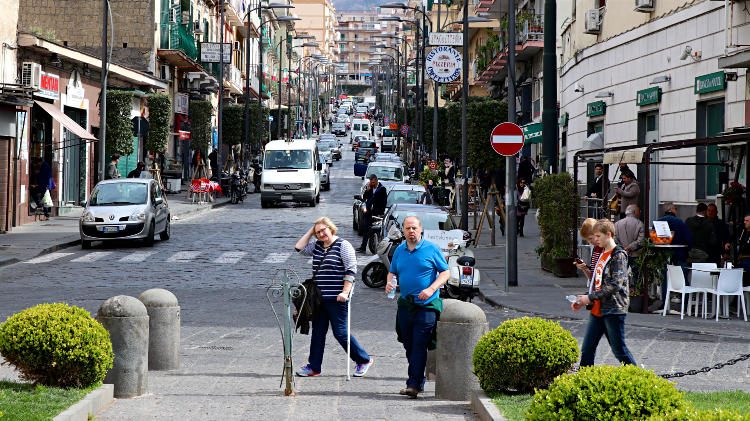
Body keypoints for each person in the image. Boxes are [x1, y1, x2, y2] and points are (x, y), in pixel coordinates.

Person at [294, 217, 373, 378]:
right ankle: (314, 366)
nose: (321, 234)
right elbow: (299, 248)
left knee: (341, 333)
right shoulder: (316, 246)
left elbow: (351, 270)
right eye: (318, 232)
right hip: (318, 298)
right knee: (318, 332)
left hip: (337, 298)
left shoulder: (343, 245)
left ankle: (363, 360)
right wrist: (311, 229)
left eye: (323, 230)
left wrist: (345, 292)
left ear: (331, 228)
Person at [385, 216, 450, 398]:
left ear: (421, 229)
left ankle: (413, 384)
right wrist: (389, 283)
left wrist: (431, 289)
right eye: (408, 228)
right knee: (408, 343)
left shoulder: (431, 249)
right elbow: (392, 272)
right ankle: (418, 380)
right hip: (406, 304)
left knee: (419, 344)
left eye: (414, 228)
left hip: (427, 305)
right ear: (404, 231)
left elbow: (445, 272)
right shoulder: (400, 250)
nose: (411, 231)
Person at [572, 219, 637, 367]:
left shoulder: (618, 255)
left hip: (613, 309)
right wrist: (583, 299)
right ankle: (583, 383)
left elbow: (615, 284)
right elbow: (597, 281)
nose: (595, 240)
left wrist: (588, 297)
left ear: (608, 235)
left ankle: (641, 379)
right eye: (594, 236)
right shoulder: (602, 253)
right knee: (587, 348)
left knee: (619, 350)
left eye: (598, 236)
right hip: (599, 309)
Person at [357, 174, 387, 253]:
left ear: (376, 181)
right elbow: (365, 197)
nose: (372, 184)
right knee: (366, 230)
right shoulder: (370, 188)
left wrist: (381, 212)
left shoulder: (382, 189)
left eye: (373, 182)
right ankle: (363, 247)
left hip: (377, 214)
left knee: (375, 231)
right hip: (369, 212)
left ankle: (375, 246)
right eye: (371, 182)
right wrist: (368, 189)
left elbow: (380, 199)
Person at [575, 218, 602, 284]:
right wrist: (584, 268)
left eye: (590, 238)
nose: (590, 242)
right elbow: (592, 277)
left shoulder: (606, 249)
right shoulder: (596, 249)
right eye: (587, 240)